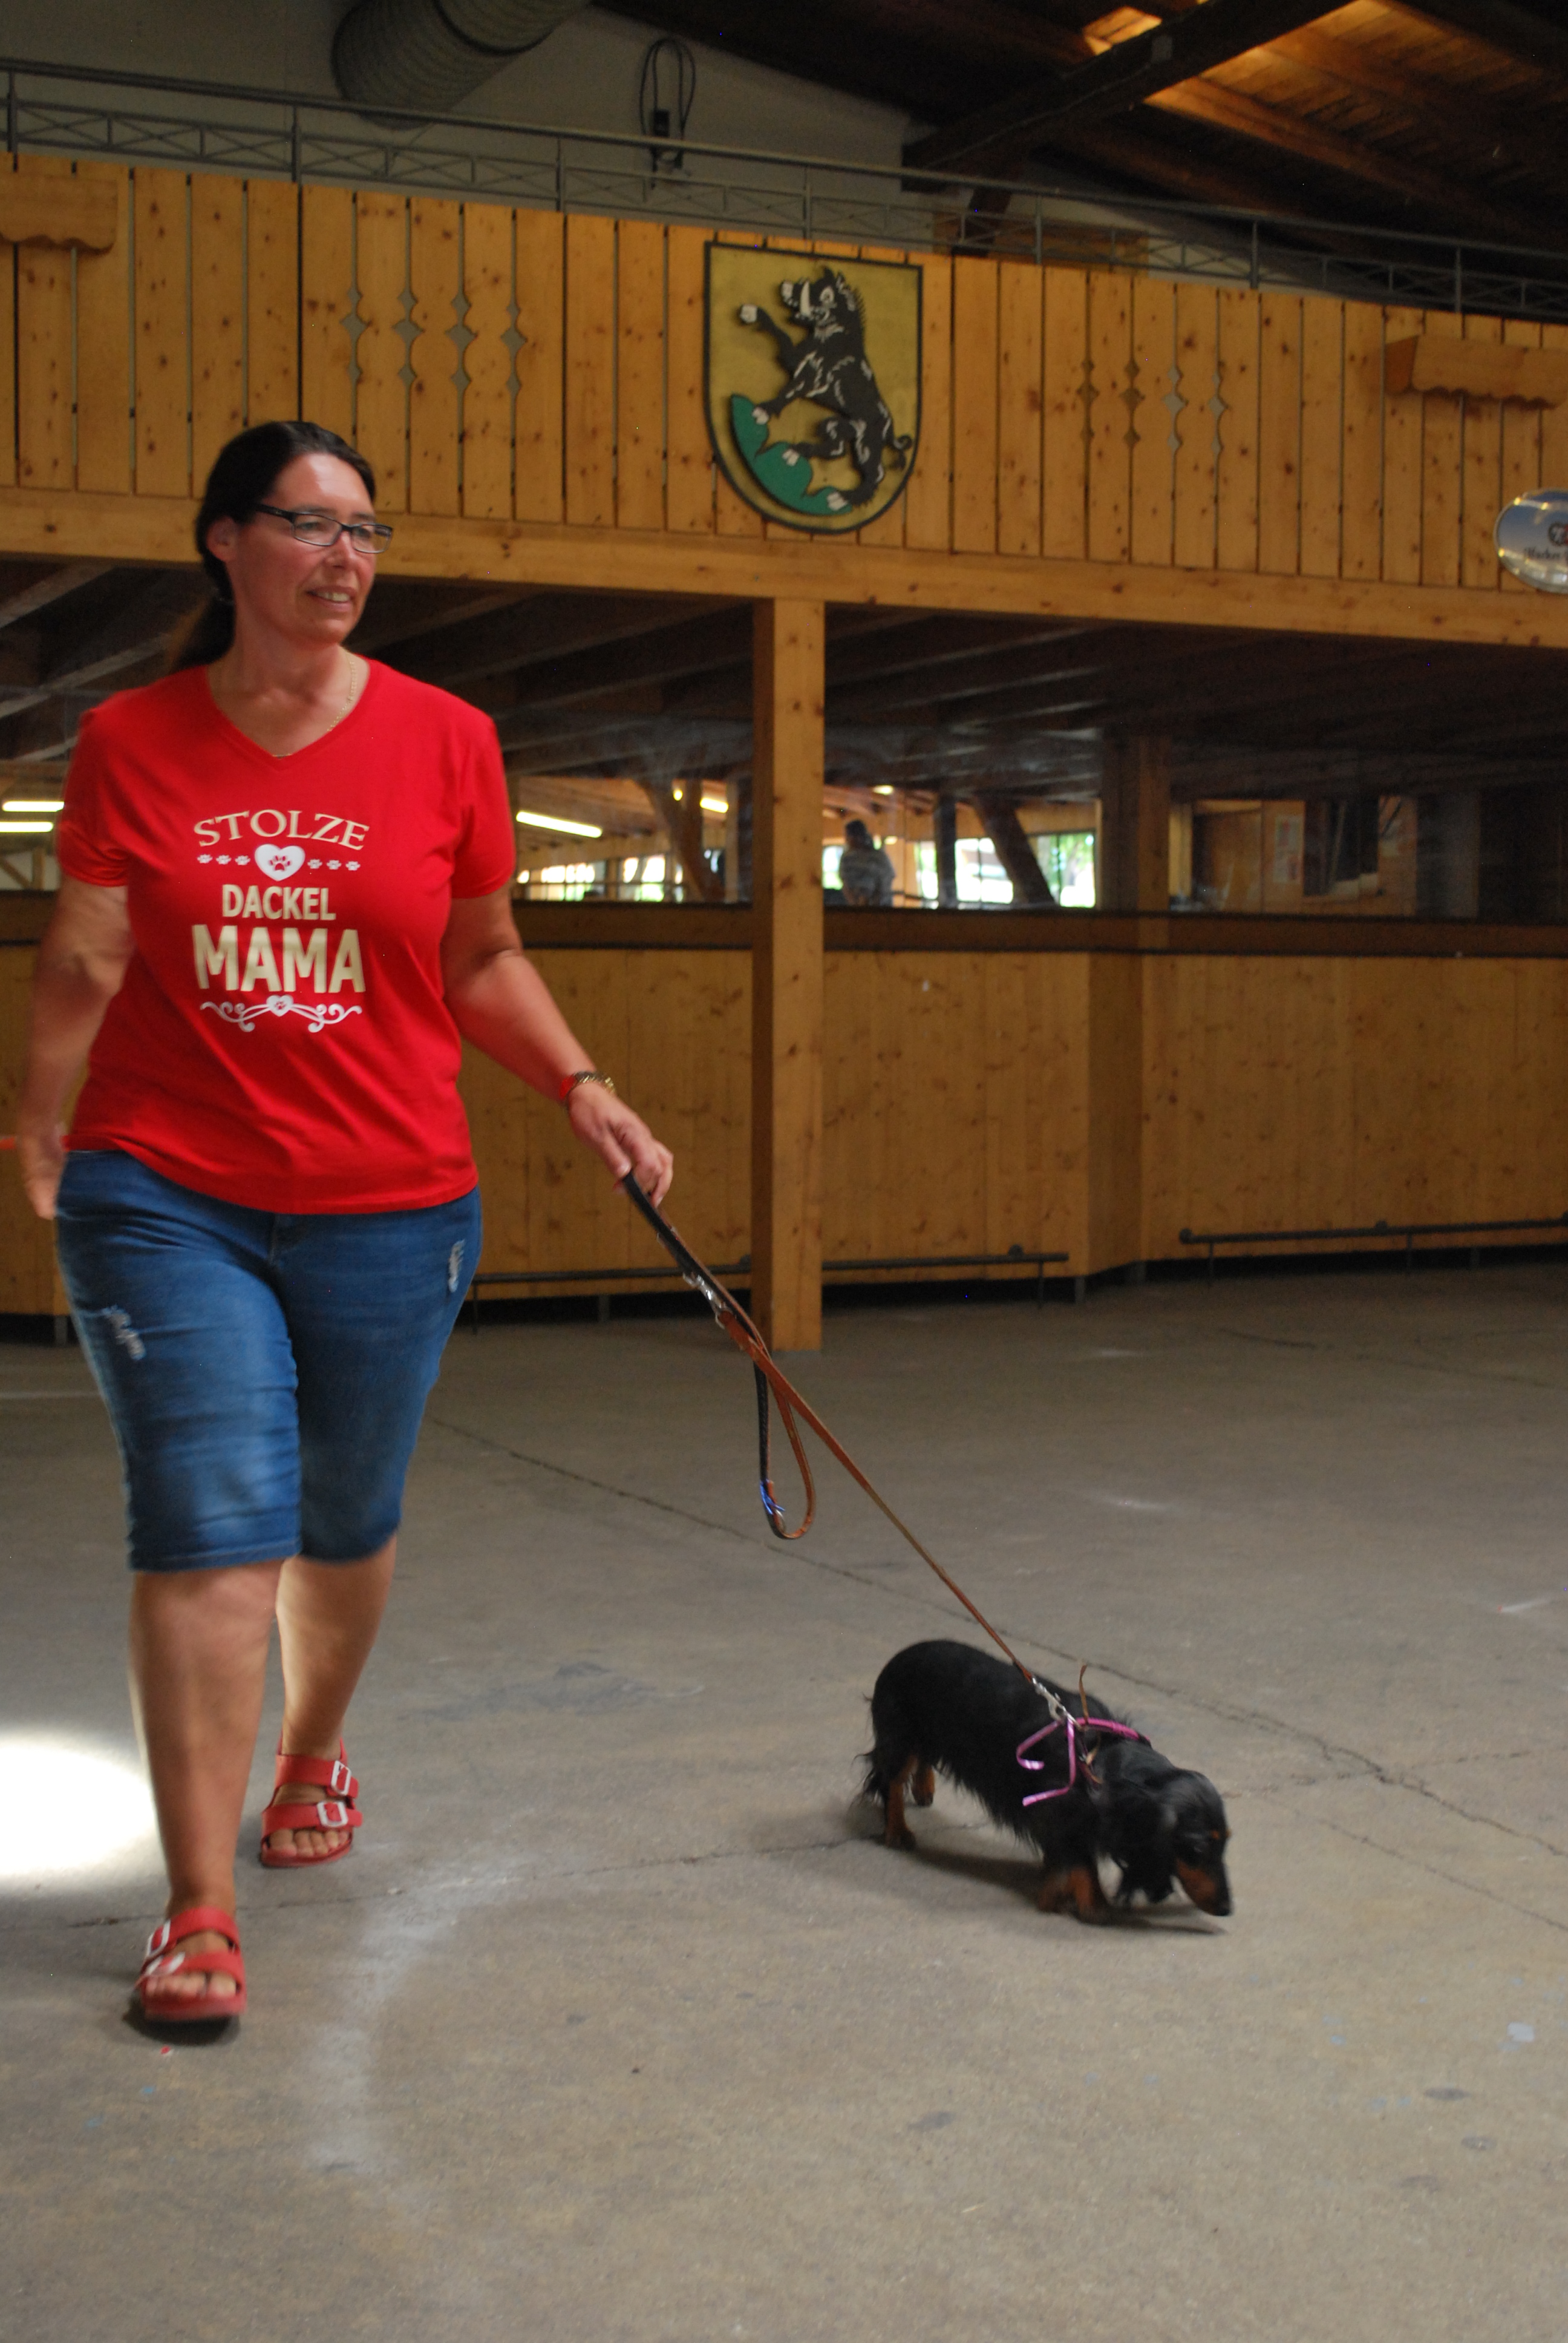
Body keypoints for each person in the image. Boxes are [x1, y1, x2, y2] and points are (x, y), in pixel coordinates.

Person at [16, 419, 673, 2025]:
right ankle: (197, 1911)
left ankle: (311, 1752)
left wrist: (579, 1082)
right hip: (169, 1189)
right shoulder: (131, 738)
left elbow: (480, 956)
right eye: (308, 526)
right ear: (225, 543)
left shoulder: (449, 739)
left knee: (343, 1515)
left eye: (365, 532)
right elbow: (86, 956)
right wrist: (38, 1122)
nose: (343, 558)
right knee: (211, 1523)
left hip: (390, 1196)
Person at [838, 816, 894, 908]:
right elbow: (846, 885)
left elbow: (886, 883)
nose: (847, 840)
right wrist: (855, 905)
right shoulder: (847, 859)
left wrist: (873, 903)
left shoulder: (879, 858)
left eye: (848, 837)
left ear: (858, 837)